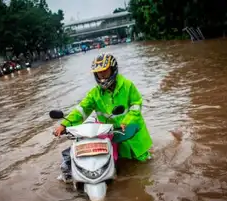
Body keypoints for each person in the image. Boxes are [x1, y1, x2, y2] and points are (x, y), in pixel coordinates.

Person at [54, 53, 153, 183]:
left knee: (146, 171)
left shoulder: (128, 86)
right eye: (98, 73)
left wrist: (127, 122)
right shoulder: (94, 94)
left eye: (104, 71)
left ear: (113, 69)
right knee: (121, 171)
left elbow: (136, 106)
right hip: (113, 137)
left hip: (134, 135)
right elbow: (81, 110)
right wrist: (64, 125)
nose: (101, 75)